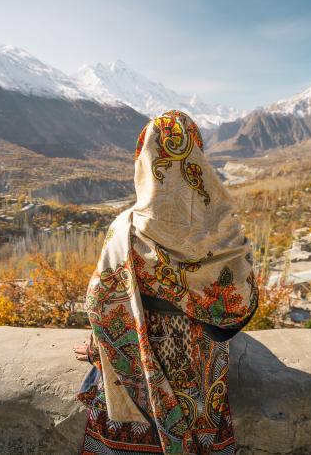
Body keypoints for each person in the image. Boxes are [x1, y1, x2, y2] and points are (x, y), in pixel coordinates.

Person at [73, 110, 258, 454]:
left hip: (140, 374)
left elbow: (101, 303)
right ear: (197, 156)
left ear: (144, 159)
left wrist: (102, 349)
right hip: (202, 374)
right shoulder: (226, 231)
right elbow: (240, 303)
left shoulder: (126, 229)